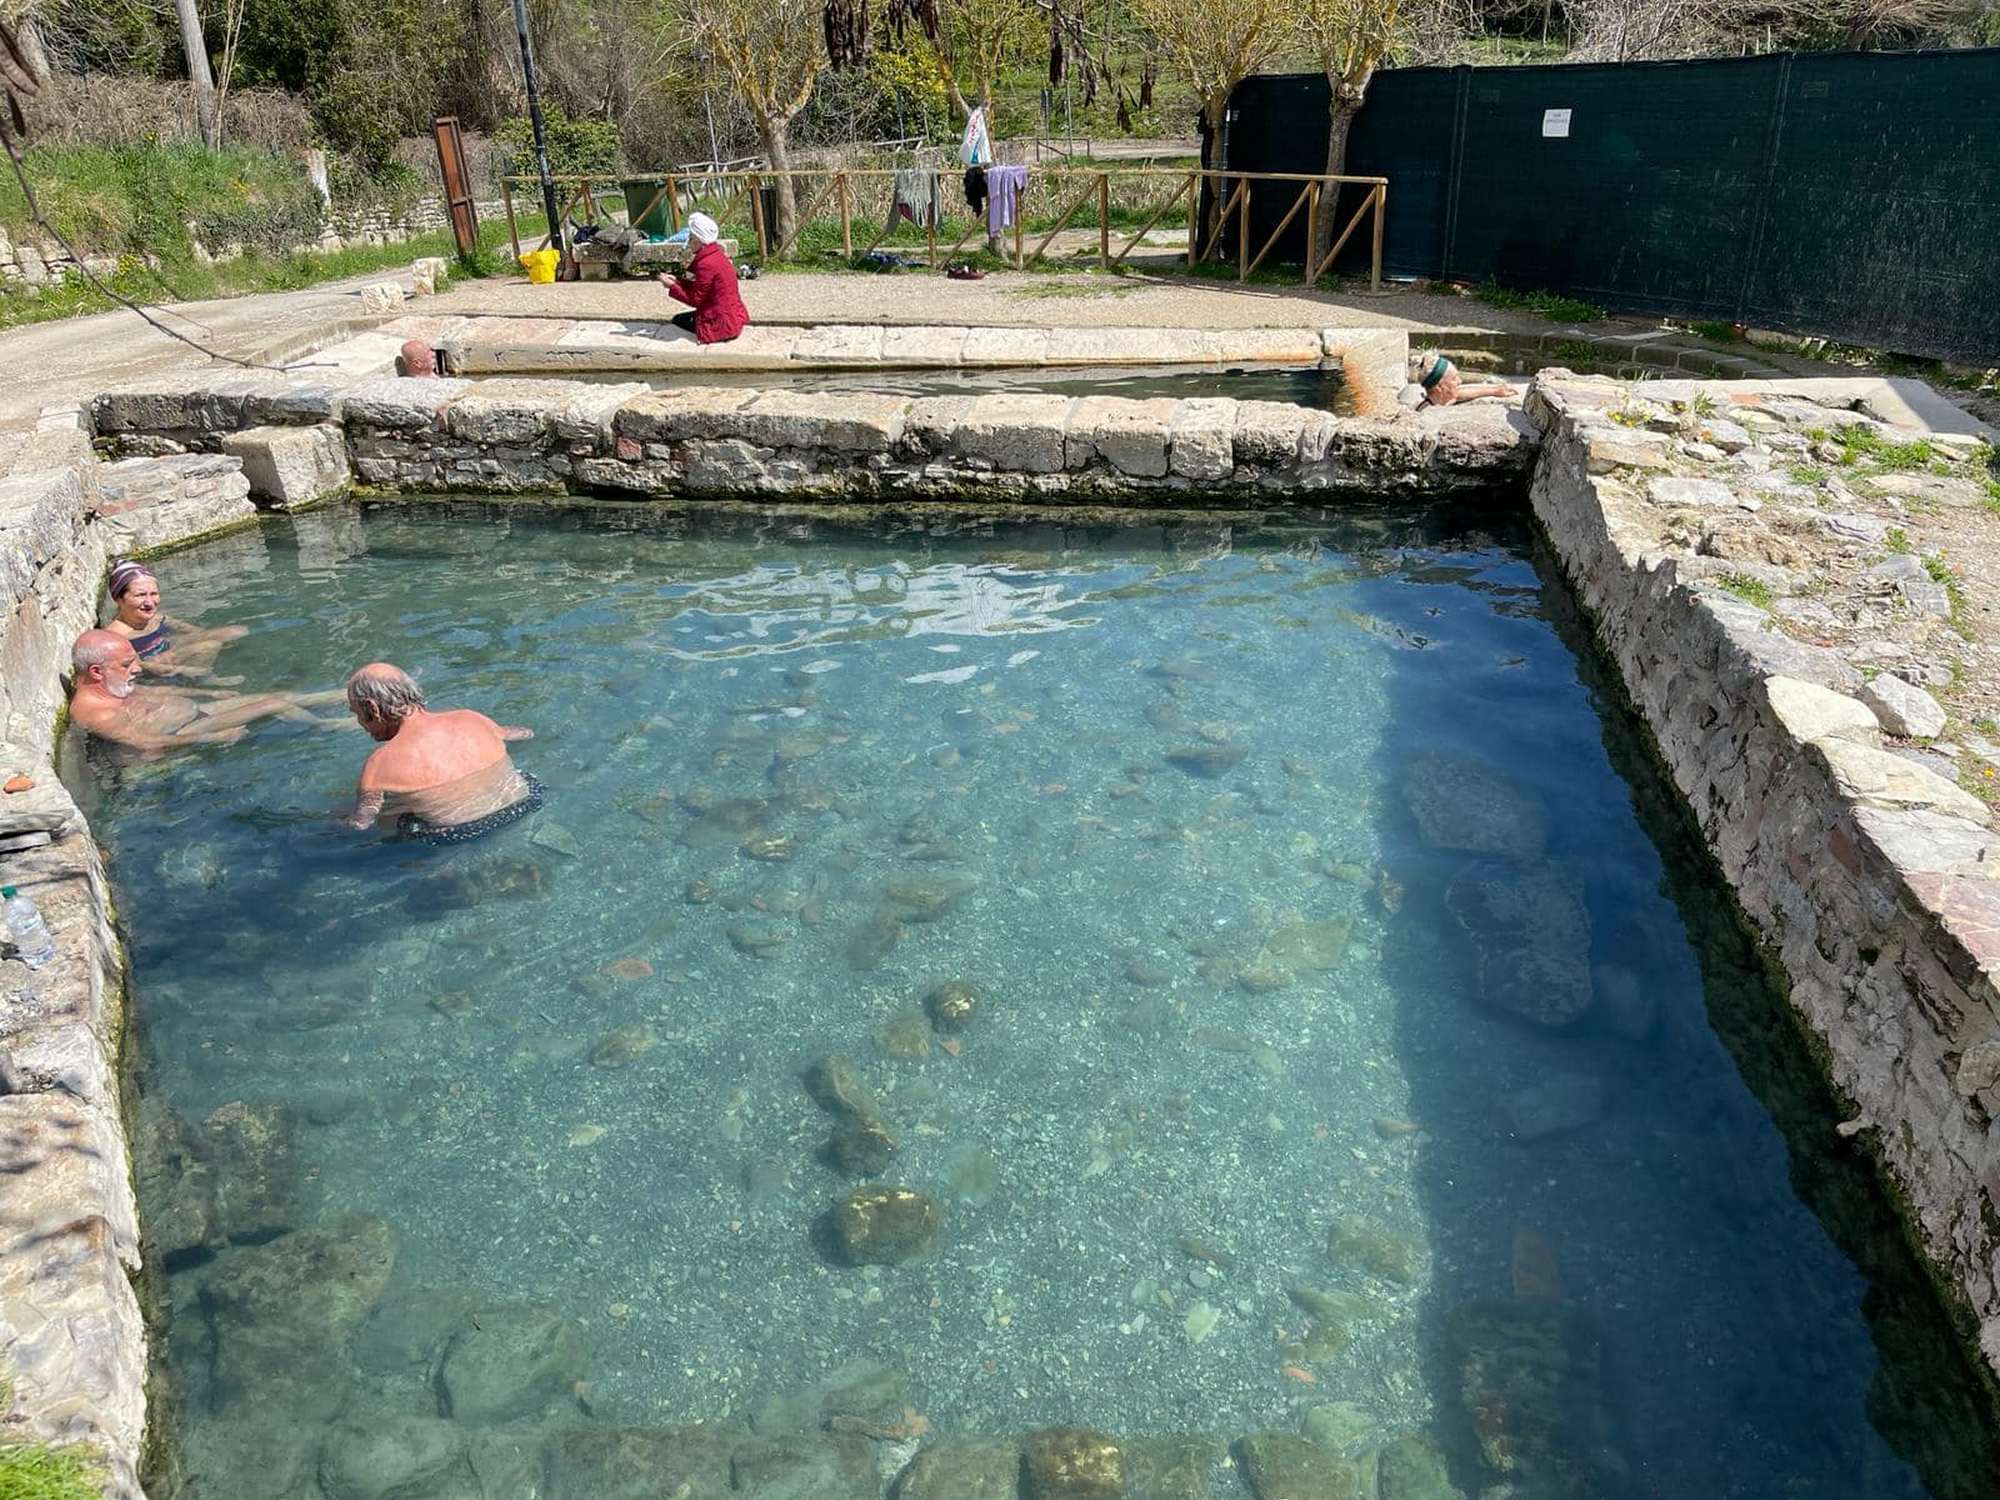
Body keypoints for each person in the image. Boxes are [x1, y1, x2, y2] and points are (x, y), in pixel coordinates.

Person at [342, 663, 541, 841]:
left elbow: (362, 823)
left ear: (372, 708)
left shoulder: (379, 764)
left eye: (356, 713)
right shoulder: (473, 719)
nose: (360, 723)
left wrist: (328, 823)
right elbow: (523, 734)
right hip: (522, 804)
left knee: (387, 818)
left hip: (459, 833)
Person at [68, 630, 340, 756]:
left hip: (196, 713)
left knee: (286, 696)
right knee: (273, 704)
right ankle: (329, 726)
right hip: (186, 730)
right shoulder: (94, 712)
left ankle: (346, 694)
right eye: (128, 665)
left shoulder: (113, 685)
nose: (138, 668)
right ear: (95, 672)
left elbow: (155, 691)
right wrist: (210, 737)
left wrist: (208, 693)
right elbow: (144, 742)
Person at [102, 560, 247, 678]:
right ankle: (203, 680)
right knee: (209, 646)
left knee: (236, 631)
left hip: (166, 647)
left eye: (154, 594)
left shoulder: (156, 618)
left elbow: (194, 631)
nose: (149, 602)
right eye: (140, 595)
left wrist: (221, 640)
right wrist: (184, 670)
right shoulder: (116, 636)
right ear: (118, 599)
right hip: (149, 664)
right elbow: (139, 666)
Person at [656, 213, 748, 346]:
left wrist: (672, 286)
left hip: (722, 324)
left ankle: (715, 334)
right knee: (685, 318)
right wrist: (678, 281)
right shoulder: (717, 254)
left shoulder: (706, 264)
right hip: (732, 316)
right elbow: (701, 286)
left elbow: (695, 300)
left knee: (678, 320)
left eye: (690, 238)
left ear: (698, 241)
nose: (688, 242)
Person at [1406, 349, 1519, 407]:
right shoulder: (1428, 413)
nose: (1460, 381)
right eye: (1454, 379)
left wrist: (1495, 390)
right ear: (1440, 387)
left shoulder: (1439, 398)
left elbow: (1459, 394)